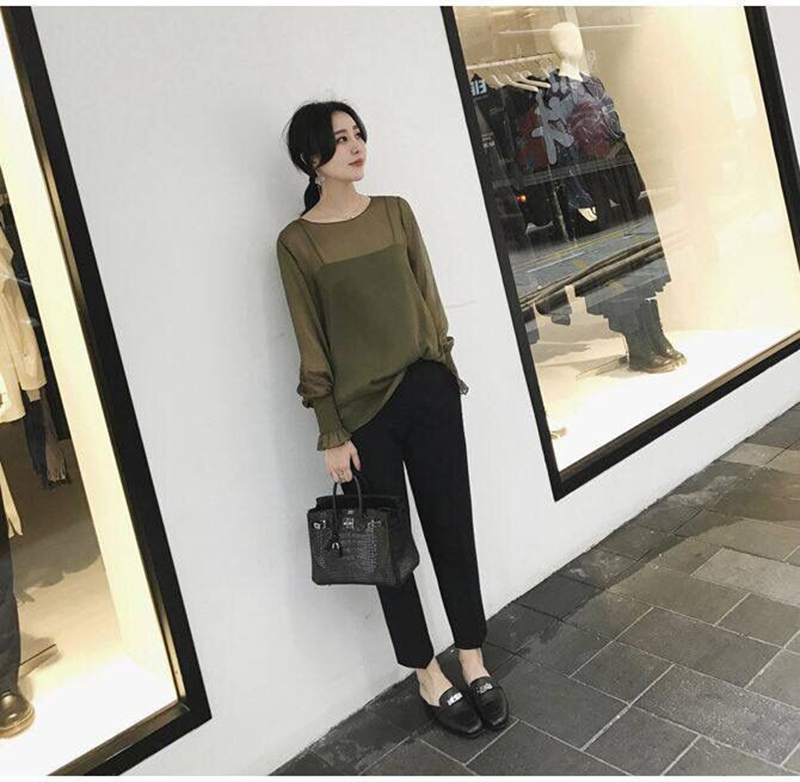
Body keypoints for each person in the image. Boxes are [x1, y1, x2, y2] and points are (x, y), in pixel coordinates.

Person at [276, 100, 508, 738]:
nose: (356, 147)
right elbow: (310, 338)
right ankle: (427, 673)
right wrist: (330, 429)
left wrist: (444, 368)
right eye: (340, 139)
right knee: (390, 551)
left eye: (358, 135)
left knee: (453, 527)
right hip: (363, 414)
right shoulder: (297, 243)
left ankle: (473, 657)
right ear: (311, 158)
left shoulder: (395, 212)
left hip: (428, 390)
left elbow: (428, 297)